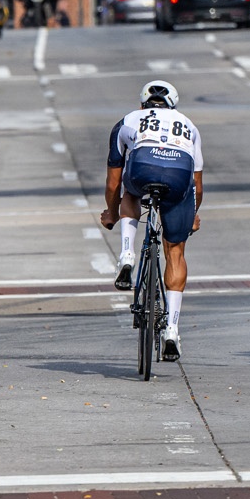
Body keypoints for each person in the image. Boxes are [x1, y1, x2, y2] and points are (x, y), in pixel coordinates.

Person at [103, 80, 203, 362]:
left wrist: (111, 213)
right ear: (173, 106)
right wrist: (191, 216)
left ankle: (126, 253)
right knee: (175, 251)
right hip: (179, 175)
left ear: (142, 104)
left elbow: (112, 184)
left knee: (129, 192)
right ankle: (171, 329)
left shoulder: (128, 120)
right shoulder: (189, 125)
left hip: (142, 168)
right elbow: (197, 185)